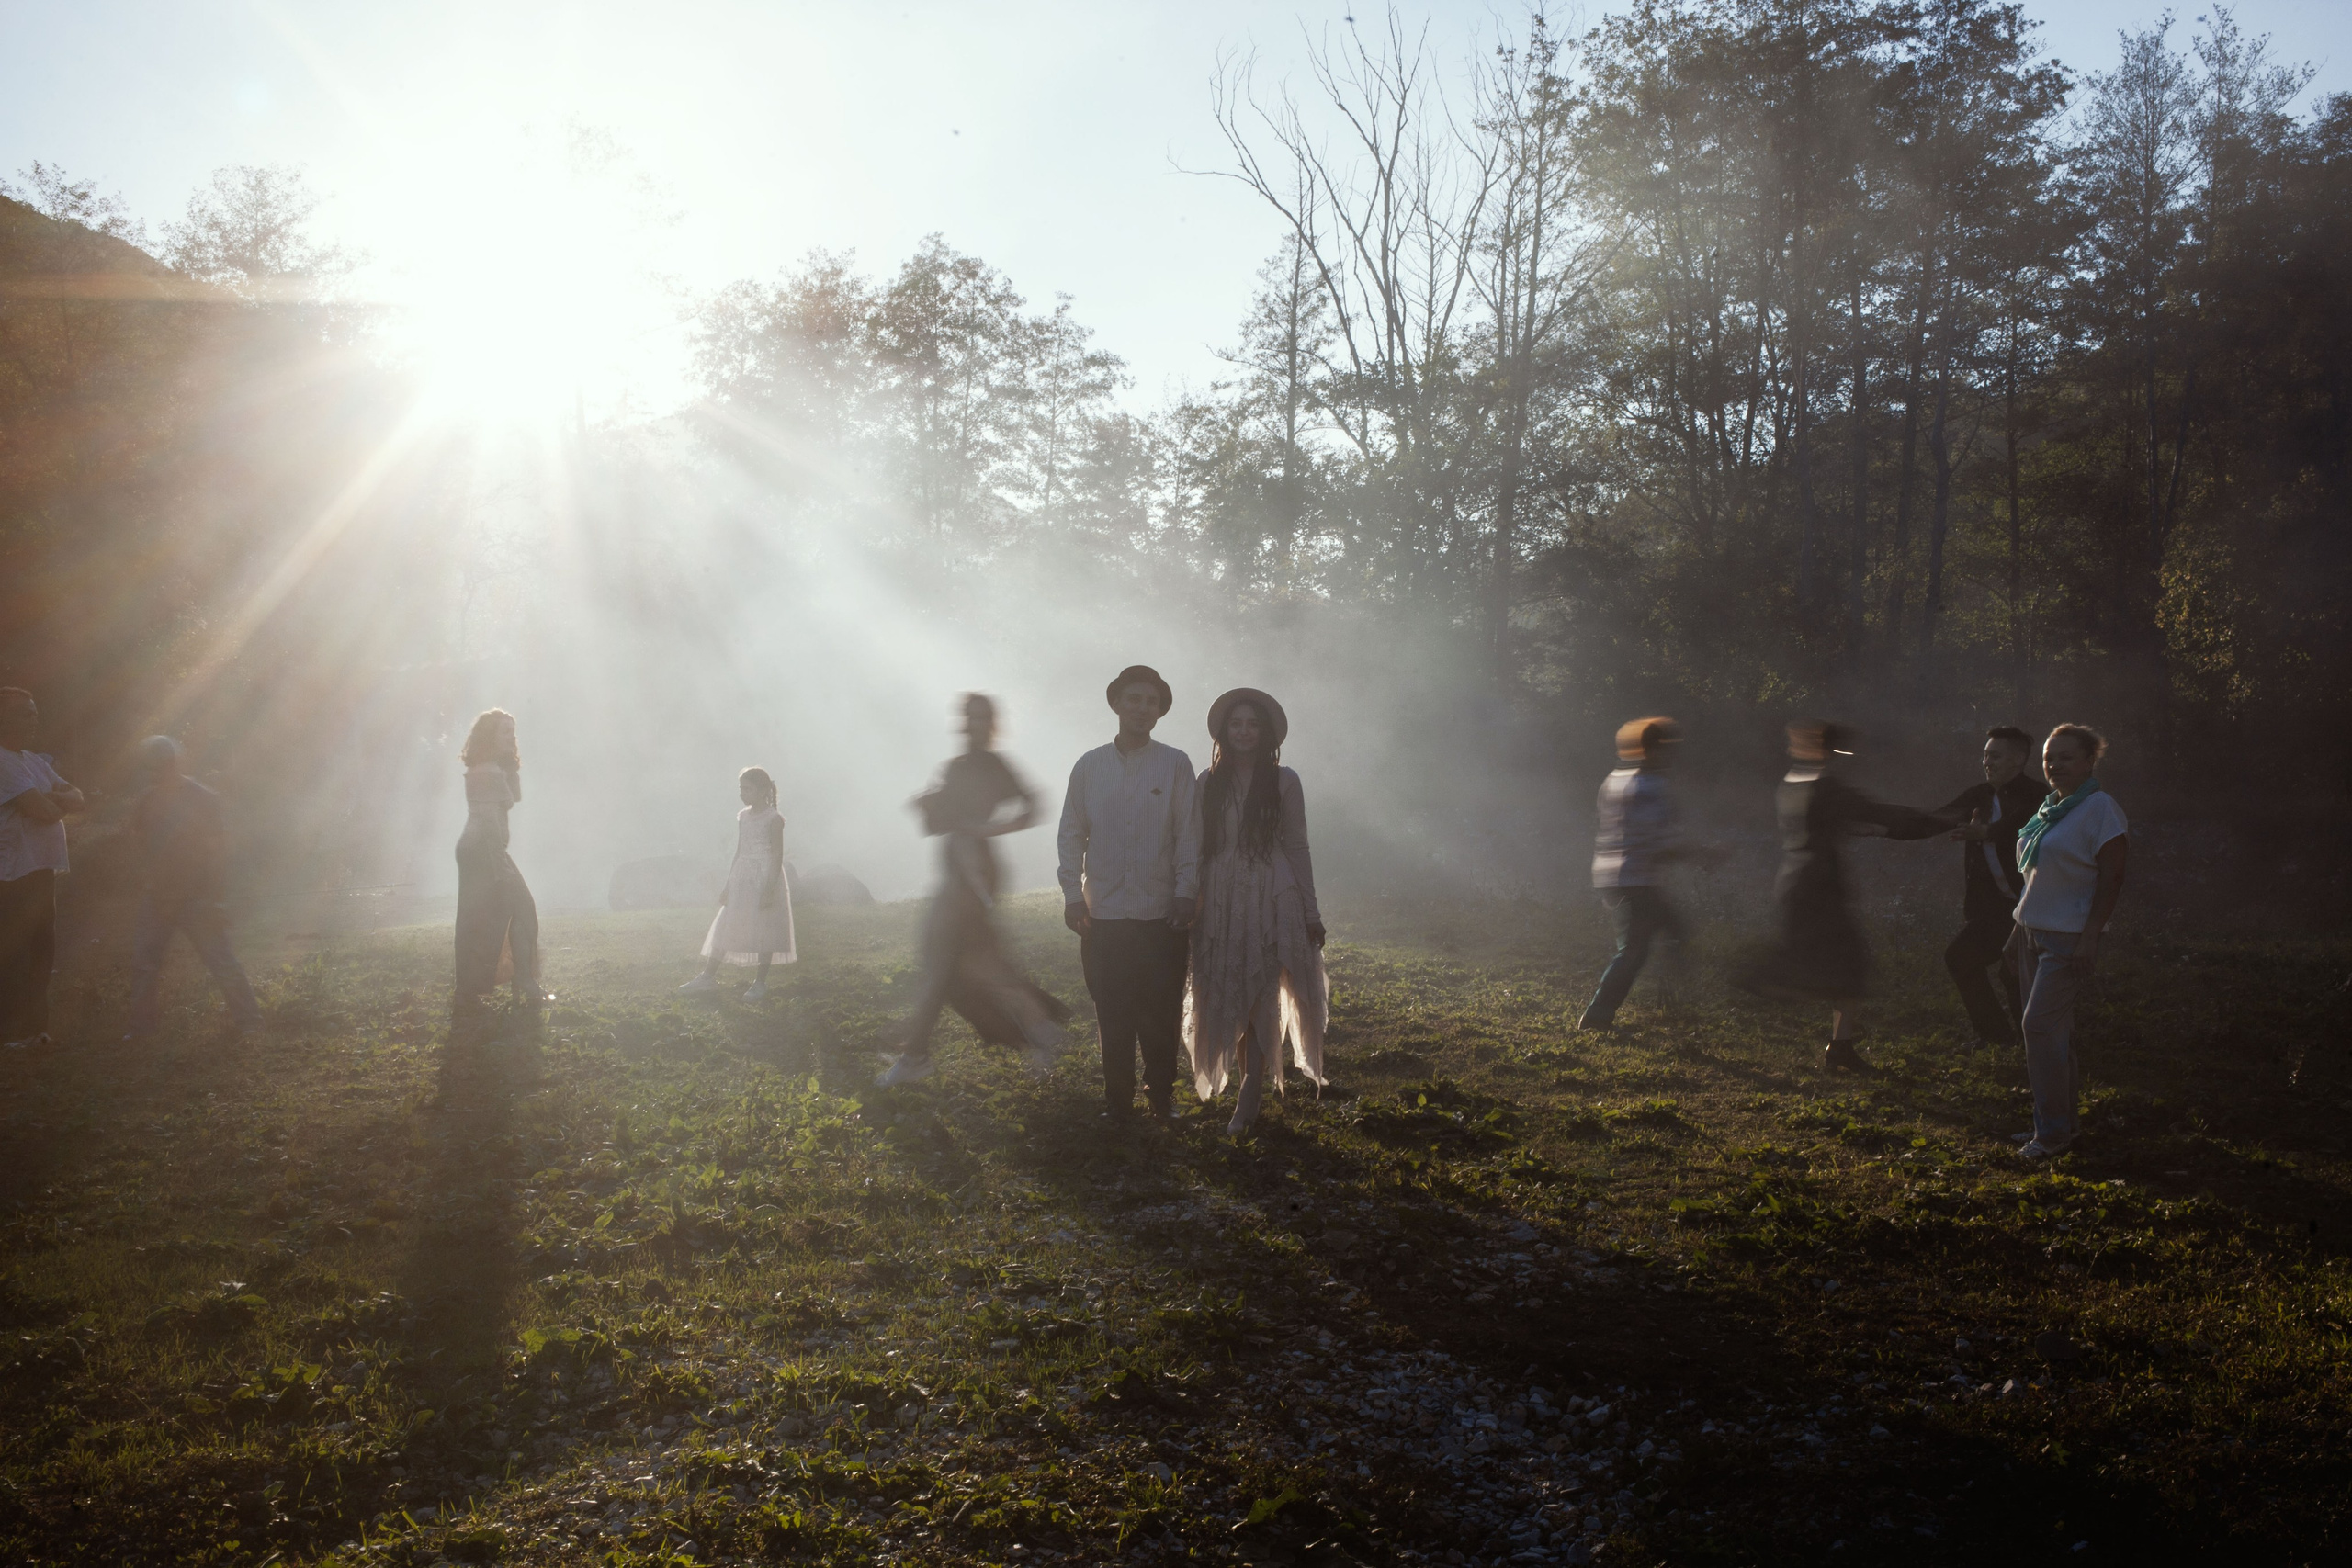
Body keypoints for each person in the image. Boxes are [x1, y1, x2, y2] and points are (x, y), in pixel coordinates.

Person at [1733, 720, 1946, 1071]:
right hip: (1819, 888)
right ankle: (1766, 979)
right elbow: (1879, 813)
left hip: (1799, 882)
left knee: (1844, 964)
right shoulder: (1826, 788)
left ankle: (1840, 1044)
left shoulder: (1793, 781)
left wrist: (1874, 828)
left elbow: (1848, 822)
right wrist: (1940, 821)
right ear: (1826, 750)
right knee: (1843, 965)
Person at [878, 694, 1069, 1087]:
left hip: (976, 872)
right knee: (973, 968)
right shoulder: (955, 765)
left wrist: (990, 829)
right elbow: (943, 818)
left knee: (944, 965)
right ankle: (1040, 1027)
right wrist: (928, 805)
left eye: (982, 718)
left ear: (992, 723)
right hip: (954, 868)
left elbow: (1036, 806)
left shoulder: (994, 764)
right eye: (968, 716)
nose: (974, 724)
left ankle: (916, 1056)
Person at [1059, 664, 1200, 1122]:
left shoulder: (1175, 764)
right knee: (1112, 1010)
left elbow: (1189, 834)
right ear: (1116, 703)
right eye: (1134, 699)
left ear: (1160, 711)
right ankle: (1117, 1101)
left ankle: (1161, 1095)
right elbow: (1071, 835)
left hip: (1160, 913)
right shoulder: (1089, 766)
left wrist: (1185, 892)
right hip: (1103, 913)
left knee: (1160, 1011)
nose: (1142, 708)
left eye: (1152, 702)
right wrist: (1072, 895)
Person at [1185, 687, 1327, 1136]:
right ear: (1224, 731)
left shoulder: (1285, 781)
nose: (1244, 731)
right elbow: (1196, 846)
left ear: (1264, 732)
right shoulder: (1208, 782)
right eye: (1236, 724)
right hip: (1221, 895)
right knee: (1229, 986)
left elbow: (1298, 845)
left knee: (1264, 985)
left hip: (1272, 893)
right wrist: (1189, 896)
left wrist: (1310, 909)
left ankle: (1250, 1090)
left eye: (1252, 724)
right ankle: (1247, 1081)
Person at [2007, 724, 2129, 1162]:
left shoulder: (2100, 809)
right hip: (2031, 933)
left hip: (2068, 938)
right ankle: (2061, 1126)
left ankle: (2053, 1135)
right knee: (2055, 1034)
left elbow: (2113, 877)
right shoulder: (2049, 810)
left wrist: (2091, 937)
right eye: (2048, 757)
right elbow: (2035, 877)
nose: (2054, 764)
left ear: (2089, 762)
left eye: (2065, 757)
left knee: (2038, 1028)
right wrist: (2016, 927)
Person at [1578, 716, 1717, 1031]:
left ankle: (1668, 1001)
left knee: (1662, 936)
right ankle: (1600, 1014)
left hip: (1613, 876)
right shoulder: (1653, 787)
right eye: (1668, 749)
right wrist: (1704, 854)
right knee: (1639, 948)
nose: (1672, 757)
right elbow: (1659, 845)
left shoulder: (1614, 779)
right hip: (1636, 878)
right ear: (1654, 750)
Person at [124, 736, 263, 1040]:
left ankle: (249, 1022)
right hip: (158, 896)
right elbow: (137, 841)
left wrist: (214, 897)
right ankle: (140, 1031)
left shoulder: (202, 797)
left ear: (174, 763)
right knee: (144, 964)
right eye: (151, 766)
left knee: (221, 960)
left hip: (196, 897)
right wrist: (147, 879)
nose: (156, 771)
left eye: (161, 764)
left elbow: (218, 850)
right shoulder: (147, 799)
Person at [1928, 725, 2047, 1048]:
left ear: (2018, 760)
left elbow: (2024, 821)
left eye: (1994, 755)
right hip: (1995, 908)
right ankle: (1996, 1036)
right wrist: (1881, 825)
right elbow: (1934, 819)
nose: (1986, 761)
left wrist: (1989, 832)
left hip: (2033, 904)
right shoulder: (1977, 796)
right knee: (1961, 957)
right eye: (1985, 755)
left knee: (2015, 974)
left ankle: (2035, 1043)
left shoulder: (2039, 795)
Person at [0, 687, 83, 1051]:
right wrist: (53, 800)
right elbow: (45, 812)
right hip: (12, 874)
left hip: (41, 870)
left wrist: (52, 798)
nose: (34, 720)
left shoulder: (32, 760)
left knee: (42, 951)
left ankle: (35, 1032)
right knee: (16, 954)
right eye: (25, 714)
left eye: (34, 713)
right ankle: (14, 1035)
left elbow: (78, 797)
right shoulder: (1, 762)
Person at [452, 708, 550, 1008]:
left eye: (513, 731)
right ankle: (520, 980)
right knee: (509, 911)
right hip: (482, 850)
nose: (512, 737)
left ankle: (508, 982)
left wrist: (510, 762)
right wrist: (499, 866)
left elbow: (514, 796)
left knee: (490, 917)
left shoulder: (495, 768)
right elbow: (487, 822)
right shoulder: (485, 772)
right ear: (490, 736)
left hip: (486, 850)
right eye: (505, 732)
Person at [679, 766, 797, 1000]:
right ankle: (707, 976)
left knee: (765, 927)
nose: (743, 793)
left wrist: (769, 888)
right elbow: (739, 851)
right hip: (742, 877)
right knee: (728, 922)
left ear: (763, 790)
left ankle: (760, 983)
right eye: (741, 789)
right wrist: (728, 885)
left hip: (765, 878)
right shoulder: (743, 816)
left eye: (748, 789)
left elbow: (777, 855)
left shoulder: (774, 819)